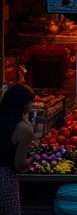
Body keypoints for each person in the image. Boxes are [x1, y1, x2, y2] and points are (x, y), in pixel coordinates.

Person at [0, 83, 34, 215]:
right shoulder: (24, 128)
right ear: (22, 104)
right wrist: (32, 157)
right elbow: (18, 165)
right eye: (30, 102)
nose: (30, 106)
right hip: (4, 179)